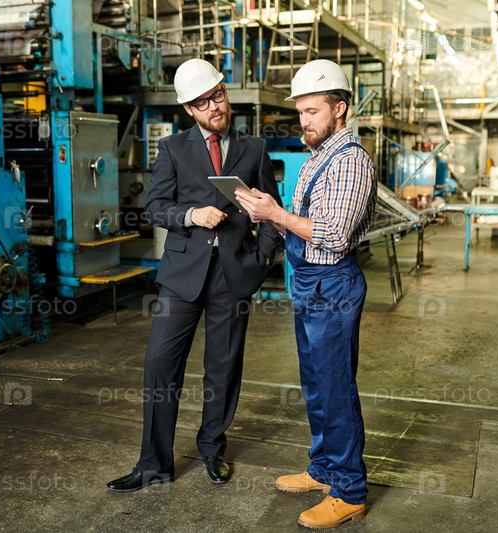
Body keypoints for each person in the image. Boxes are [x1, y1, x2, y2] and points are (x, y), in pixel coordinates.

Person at [107, 58, 283, 492]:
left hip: (234, 274)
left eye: (217, 95)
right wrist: (191, 214)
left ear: (225, 92)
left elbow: (272, 211)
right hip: (182, 273)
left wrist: (262, 259)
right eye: (202, 102)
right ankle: (154, 464)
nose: (214, 106)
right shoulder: (173, 148)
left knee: (223, 367)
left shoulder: (254, 148)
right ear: (188, 109)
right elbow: (154, 207)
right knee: (159, 363)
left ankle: (212, 449)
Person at [235, 59, 376, 529]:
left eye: (312, 111)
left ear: (340, 108)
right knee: (315, 385)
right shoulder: (318, 156)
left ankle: (349, 490)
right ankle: (324, 468)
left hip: (333, 284)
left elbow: (333, 235)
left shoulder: (350, 160)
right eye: (300, 112)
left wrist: (275, 214)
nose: (304, 121)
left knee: (336, 389)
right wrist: (268, 213)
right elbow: (307, 226)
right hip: (310, 281)